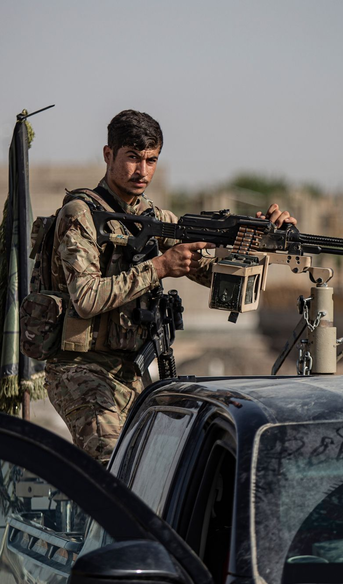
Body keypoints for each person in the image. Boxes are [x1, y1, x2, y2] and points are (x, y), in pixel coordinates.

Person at [44, 109, 296, 464]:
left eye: (151, 160)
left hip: (130, 371)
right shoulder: (79, 214)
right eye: (132, 157)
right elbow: (85, 298)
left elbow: (213, 274)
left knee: (160, 469)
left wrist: (256, 240)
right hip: (79, 368)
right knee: (113, 465)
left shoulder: (154, 218)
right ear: (108, 155)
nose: (142, 170)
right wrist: (160, 266)